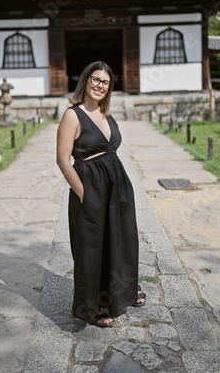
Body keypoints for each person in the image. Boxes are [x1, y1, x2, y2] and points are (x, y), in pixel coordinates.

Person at [56, 61, 146, 327]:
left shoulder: (107, 115)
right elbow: (62, 160)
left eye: (105, 82)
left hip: (116, 187)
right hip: (90, 187)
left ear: (109, 88)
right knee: (92, 247)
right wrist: (84, 195)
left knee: (120, 241)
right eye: (95, 79)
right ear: (85, 81)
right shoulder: (73, 115)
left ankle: (122, 293)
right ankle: (92, 307)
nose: (99, 85)